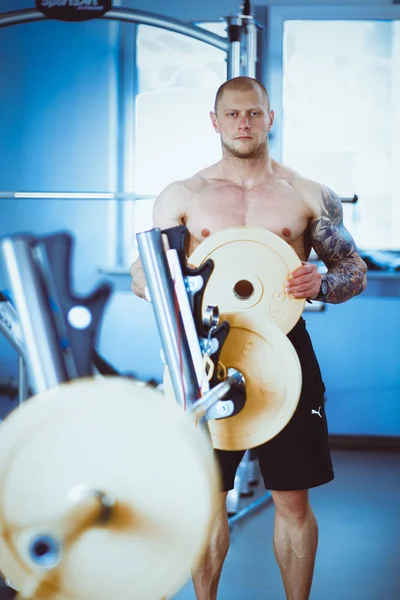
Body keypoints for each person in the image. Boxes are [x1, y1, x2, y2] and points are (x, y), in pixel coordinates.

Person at [130, 76, 367, 600]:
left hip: (286, 351)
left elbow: (352, 268)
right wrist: (147, 278)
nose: (244, 123)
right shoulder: (183, 196)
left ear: (270, 118)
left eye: (254, 113)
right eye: (233, 114)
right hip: (206, 353)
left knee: (293, 501)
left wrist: (323, 282)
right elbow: (148, 272)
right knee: (206, 496)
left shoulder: (308, 194)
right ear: (215, 122)